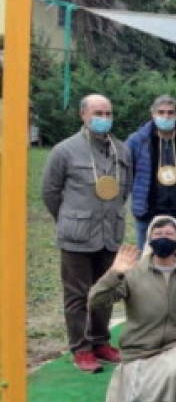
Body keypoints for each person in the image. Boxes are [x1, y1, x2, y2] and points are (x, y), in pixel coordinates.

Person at [42, 94, 132, 373]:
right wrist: (69, 218)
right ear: (83, 115)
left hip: (110, 232)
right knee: (77, 295)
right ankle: (81, 348)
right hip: (77, 235)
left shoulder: (122, 150)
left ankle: (100, 341)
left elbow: (123, 189)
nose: (103, 118)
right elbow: (50, 192)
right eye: (97, 113)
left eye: (108, 113)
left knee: (106, 291)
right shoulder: (64, 150)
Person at [88, 216, 176, 402]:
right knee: (139, 394)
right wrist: (114, 273)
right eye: (158, 234)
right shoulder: (133, 272)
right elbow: (95, 302)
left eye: (169, 234)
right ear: (149, 239)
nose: (163, 238)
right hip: (139, 347)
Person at [126, 95, 176, 247]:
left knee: (174, 254)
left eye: (170, 112)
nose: (166, 116)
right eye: (161, 112)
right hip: (147, 210)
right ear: (153, 114)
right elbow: (127, 171)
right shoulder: (137, 140)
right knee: (144, 256)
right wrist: (138, 193)